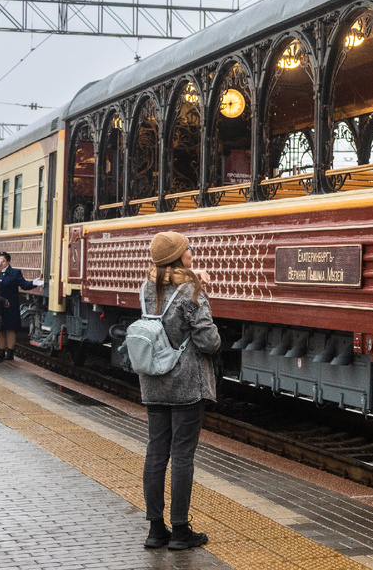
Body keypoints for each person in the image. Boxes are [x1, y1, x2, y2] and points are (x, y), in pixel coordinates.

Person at [138, 231, 220, 552]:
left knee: (156, 452)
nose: (192, 253)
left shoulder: (145, 287)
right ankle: (181, 530)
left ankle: (156, 530)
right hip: (186, 384)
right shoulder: (190, 291)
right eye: (188, 250)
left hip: (154, 381)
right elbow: (208, 341)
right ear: (176, 256)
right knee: (182, 455)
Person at [0, 251, 42, 360]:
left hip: (11, 305)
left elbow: (24, 285)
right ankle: (1, 352)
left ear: (8, 262)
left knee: (10, 329)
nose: (0, 263)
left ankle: (10, 353)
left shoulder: (15, 273)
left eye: (2, 261)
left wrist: (34, 283)